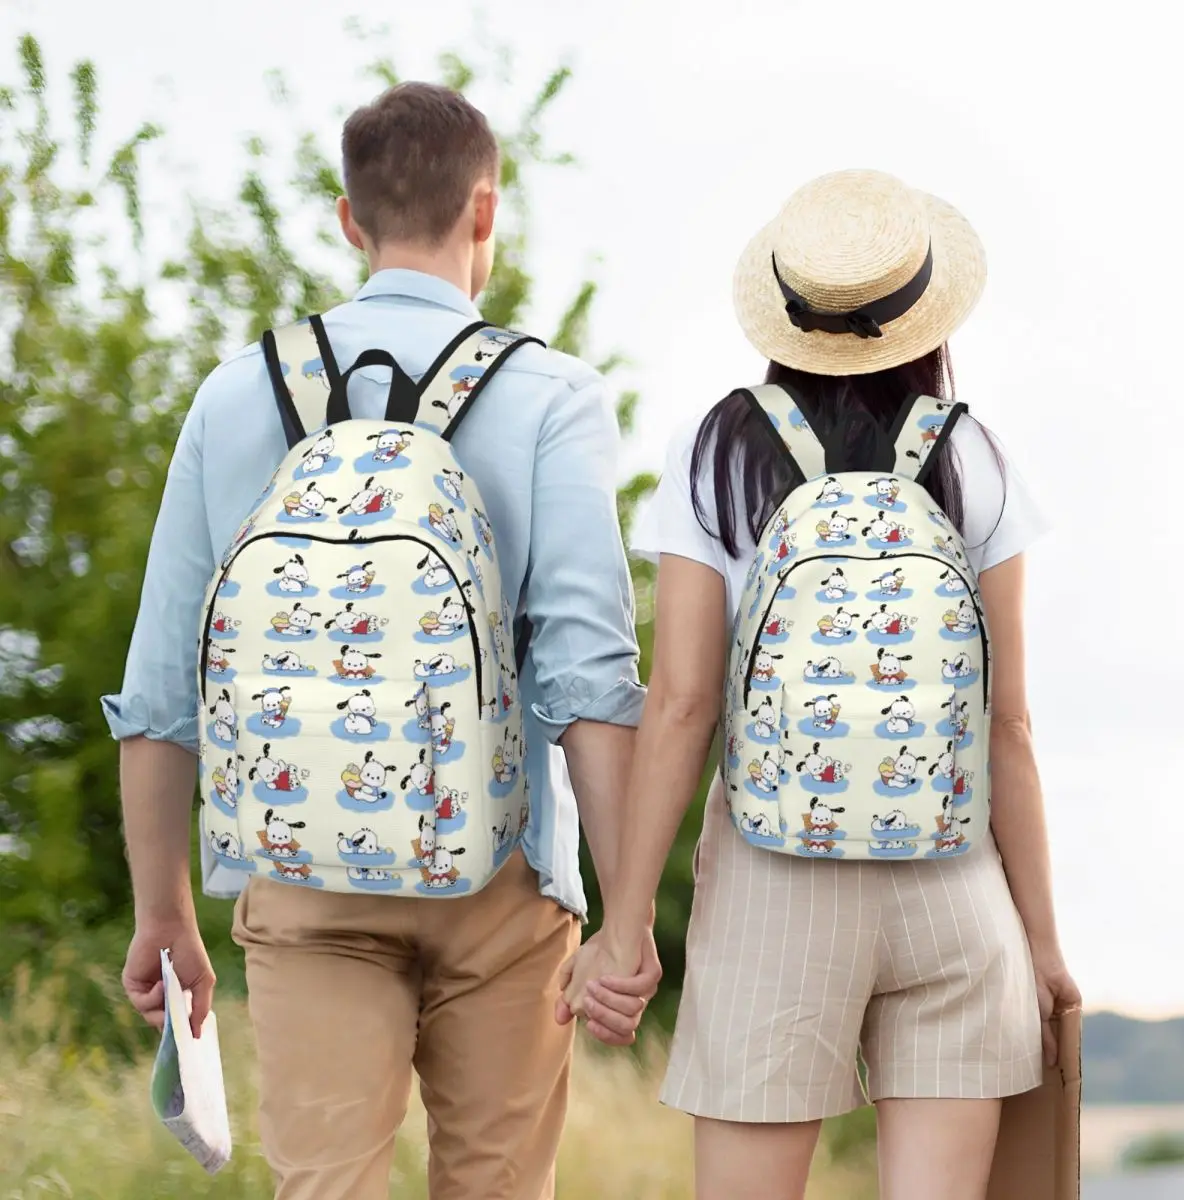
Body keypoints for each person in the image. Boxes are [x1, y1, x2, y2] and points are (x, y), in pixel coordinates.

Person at [104, 81, 659, 1200]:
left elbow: (164, 684)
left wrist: (163, 912)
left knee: (325, 1186)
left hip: (301, 871)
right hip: (503, 874)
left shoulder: (235, 394)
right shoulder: (551, 394)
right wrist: (627, 915)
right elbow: (591, 677)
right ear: (485, 213)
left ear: (349, 220)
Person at [559, 169, 1081, 1200]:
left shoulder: (716, 449)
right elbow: (1008, 724)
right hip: (954, 885)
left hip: (773, 883)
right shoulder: (974, 455)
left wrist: (623, 927)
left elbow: (682, 705)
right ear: (924, 315)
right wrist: (1043, 943)